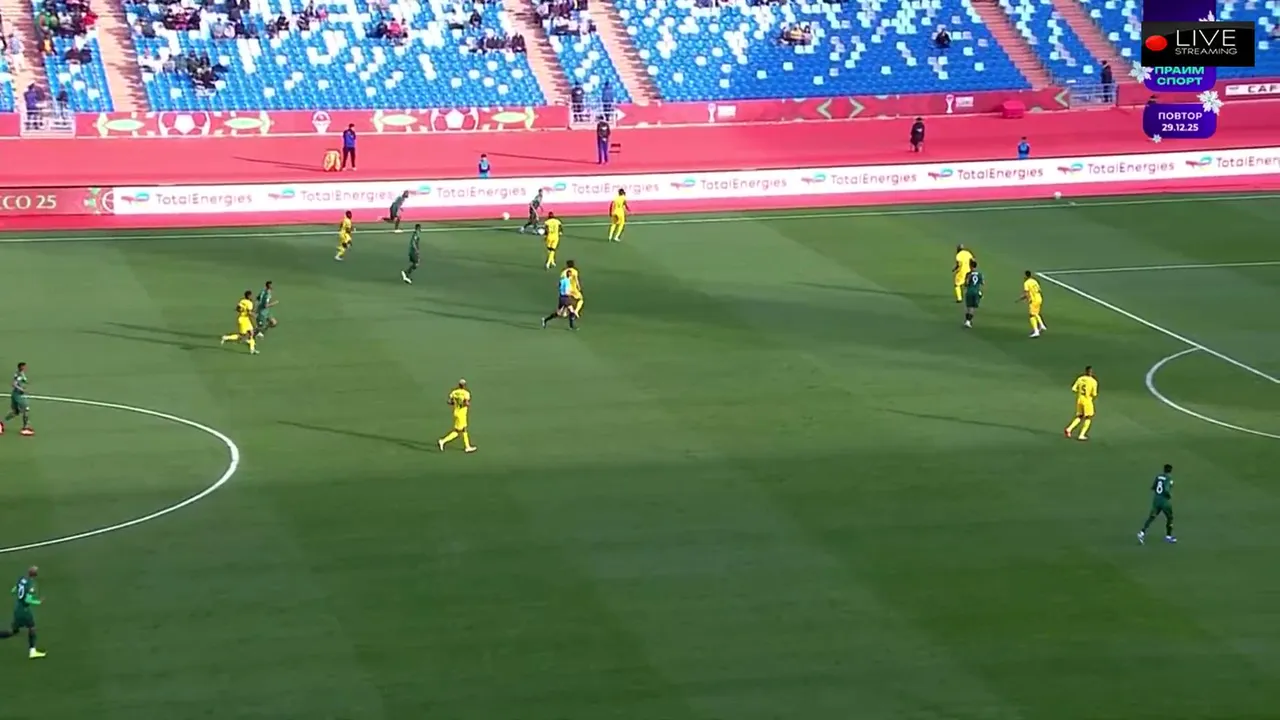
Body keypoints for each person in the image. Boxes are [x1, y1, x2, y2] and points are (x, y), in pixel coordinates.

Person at [0, 567, 45, 659]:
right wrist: (38, 602)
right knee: (32, 628)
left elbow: (13, 590)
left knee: (14, 631)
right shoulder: (31, 584)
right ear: (35, 575)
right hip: (24, 610)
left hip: (17, 608)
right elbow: (27, 600)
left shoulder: (21, 579)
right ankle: (32, 651)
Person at [1138, 465, 1176, 544]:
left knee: (1152, 517)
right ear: (1170, 471)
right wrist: (1169, 495)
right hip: (1164, 502)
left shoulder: (1158, 477)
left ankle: (1142, 532)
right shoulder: (1169, 478)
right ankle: (1168, 537)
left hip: (1156, 500)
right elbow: (1166, 489)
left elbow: (1153, 487)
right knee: (1170, 517)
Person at [438, 379, 477, 453]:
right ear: (464, 386)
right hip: (462, 414)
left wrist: (456, 403)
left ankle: (467, 446)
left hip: (456, 412)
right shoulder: (466, 393)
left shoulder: (454, 392)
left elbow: (449, 402)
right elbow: (466, 403)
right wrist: (466, 404)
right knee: (458, 431)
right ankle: (443, 441)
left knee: (464, 429)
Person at [1064, 366, 1098, 441]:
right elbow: (1094, 394)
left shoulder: (1080, 379)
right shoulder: (1093, 381)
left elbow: (1074, 389)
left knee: (1080, 416)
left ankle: (1069, 429)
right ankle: (1081, 435)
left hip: (1079, 400)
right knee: (1088, 418)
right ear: (1091, 372)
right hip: (1087, 401)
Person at [1, 362, 33, 436]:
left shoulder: (20, 373)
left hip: (15, 395)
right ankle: (25, 428)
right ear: (21, 367)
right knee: (26, 409)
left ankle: (1, 423)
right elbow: (14, 384)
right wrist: (22, 389)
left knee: (15, 412)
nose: (25, 367)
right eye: (24, 366)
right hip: (19, 396)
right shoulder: (19, 375)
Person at [542, 265, 578, 329]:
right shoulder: (567, 282)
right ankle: (571, 326)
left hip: (561, 297)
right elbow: (566, 291)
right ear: (570, 276)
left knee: (558, 313)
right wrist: (572, 294)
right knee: (571, 310)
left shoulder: (562, 280)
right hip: (565, 297)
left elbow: (559, 286)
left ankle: (545, 320)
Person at [1019, 270, 1046, 338]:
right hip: (1039, 298)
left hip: (1034, 300)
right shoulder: (1034, 281)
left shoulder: (1026, 283)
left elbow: (1027, 293)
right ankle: (1041, 325)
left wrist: (1026, 299)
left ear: (1026, 276)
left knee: (1031, 315)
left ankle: (1036, 331)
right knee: (1036, 313)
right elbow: (1039, 290)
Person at [962, 259, 982, 328]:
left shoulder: (968, 274)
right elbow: (982, 283)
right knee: (972, 307)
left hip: (969, 291)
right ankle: (968, 321)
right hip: (976, 292)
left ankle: (967, 321)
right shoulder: (979, 274)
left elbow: (966, 284)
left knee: (969, 307)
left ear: (970, 266)